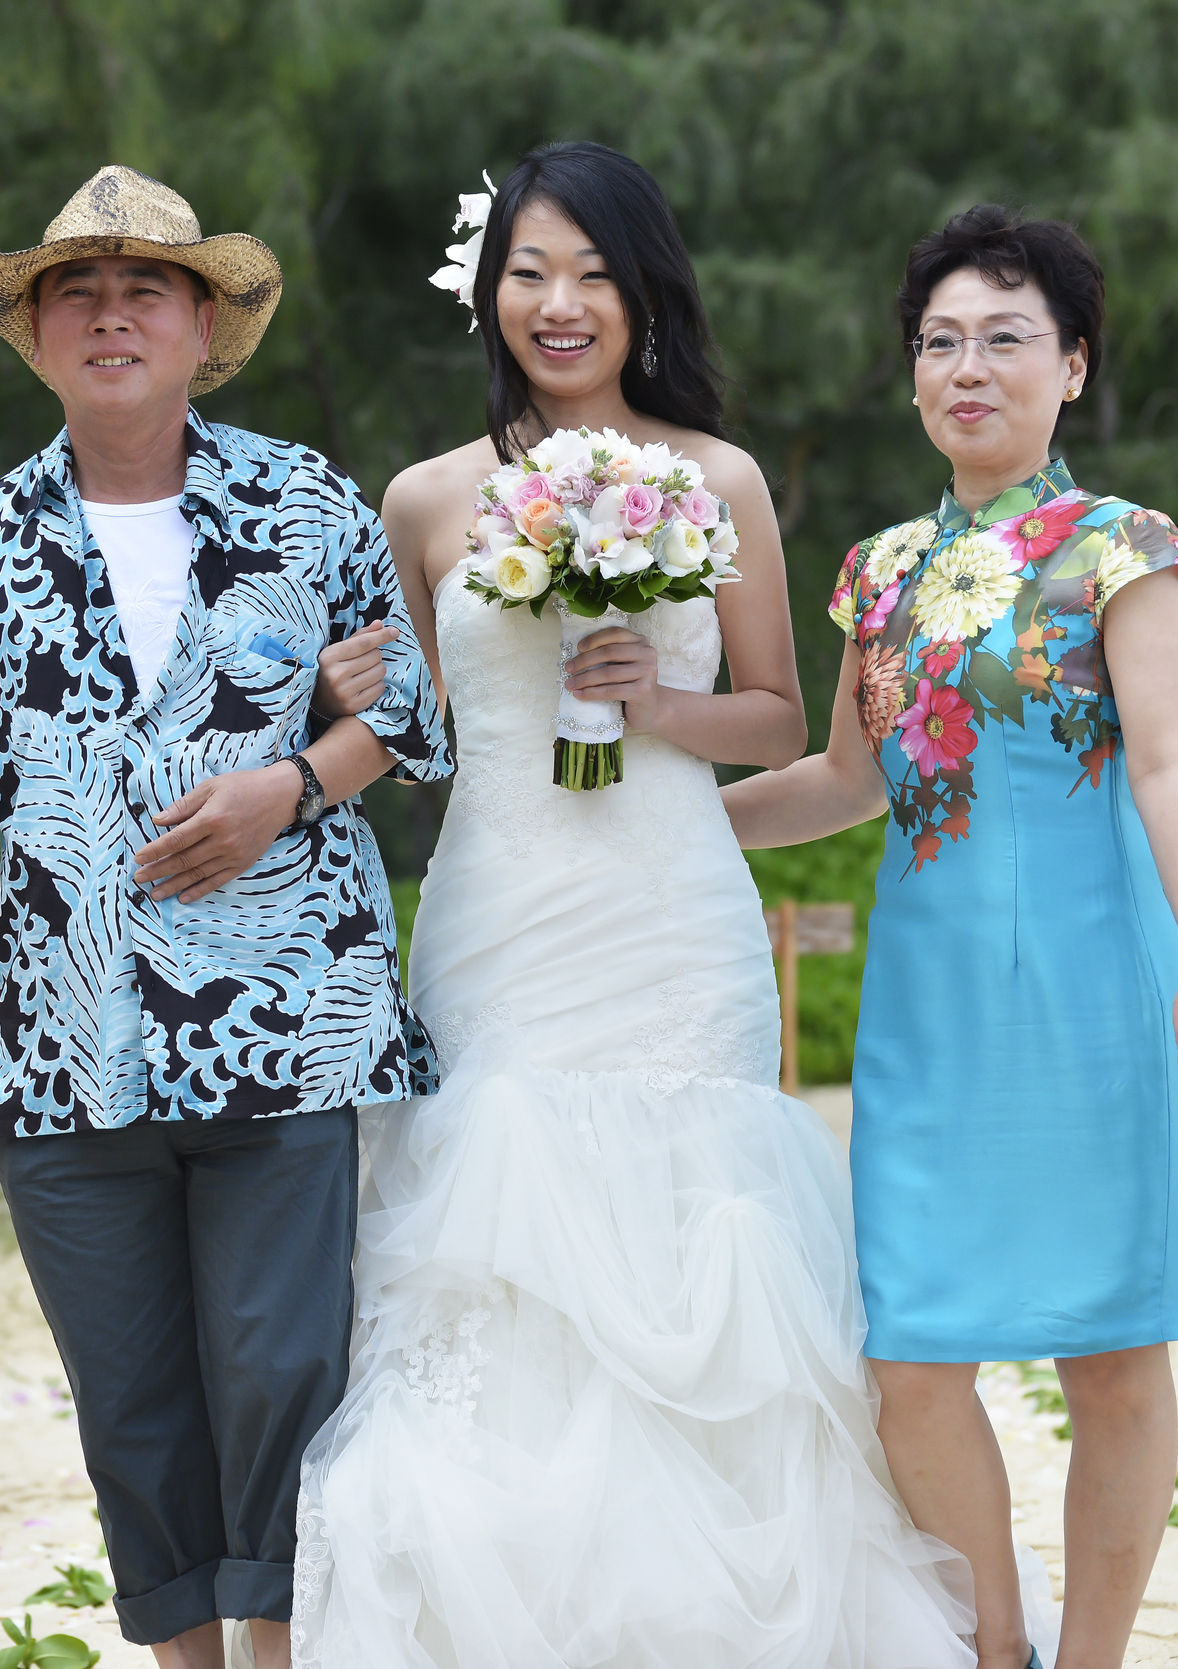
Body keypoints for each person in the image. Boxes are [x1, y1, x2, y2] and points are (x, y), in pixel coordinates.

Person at [288, 141, 1003, 1669]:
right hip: (498, 915)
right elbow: (415, 741)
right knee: (497, 1239)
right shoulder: (419, 501)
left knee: (700, 1245)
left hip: (672, 919)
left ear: (642, 293)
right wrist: (350, 690)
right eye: (531, 272)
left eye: (595, 273)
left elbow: (777, 714)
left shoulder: (718, 476)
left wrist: (660, 703)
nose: (561, 304)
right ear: (489, 295)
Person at [0, 165, 449, 1669]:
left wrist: (292, 789)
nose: (111, 315)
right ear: (41, 333)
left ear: (204, 326)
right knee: (129, 1400)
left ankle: (276, 1652)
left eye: (146, 290)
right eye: (79, 292)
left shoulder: (306, 499)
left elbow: (407, 716)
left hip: (289, 1023)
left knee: (279, 1369)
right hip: (69, 1047)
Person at [723, 204, 1178, 1669]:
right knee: (908, 1359)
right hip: (928, 1010)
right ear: (912, 377)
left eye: (1008, 338)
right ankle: (996, 1649)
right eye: (942, 341)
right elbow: (844, 778)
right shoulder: (879, 571)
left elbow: (1166, 763)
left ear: (1072, 367)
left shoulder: (1122, 549)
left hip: (1097, 989)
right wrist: (665, 823)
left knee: (1112, 1354)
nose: (971, 366)